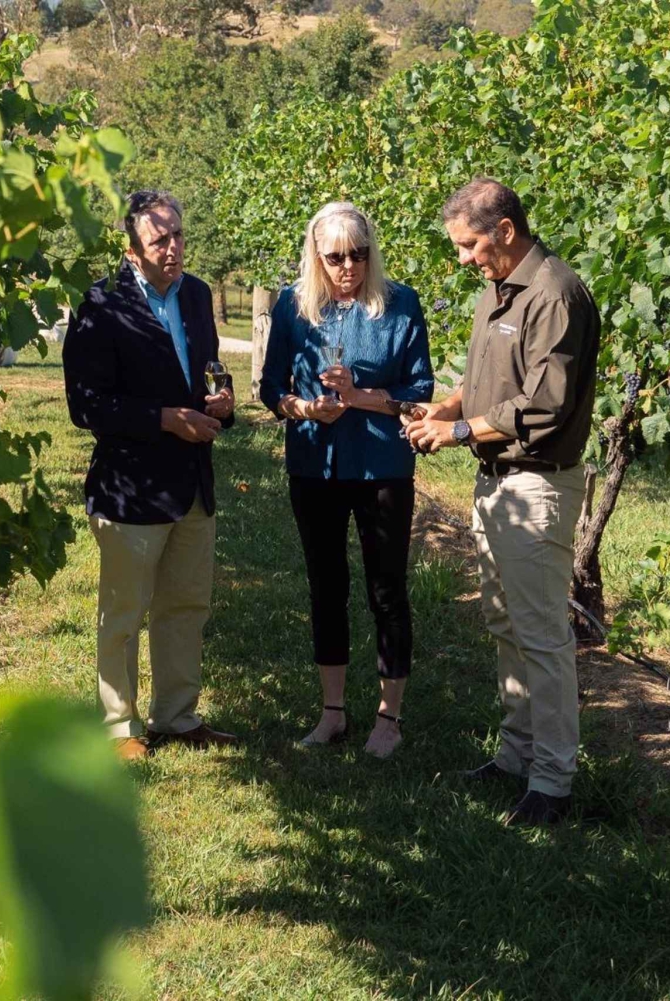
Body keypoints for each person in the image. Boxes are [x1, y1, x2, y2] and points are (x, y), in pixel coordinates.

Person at [406, 178, 600, 825]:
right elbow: (484, 382)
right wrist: (447, 409)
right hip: (496, 484)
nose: (464, 258)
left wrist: (459, 432)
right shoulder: (498, 292)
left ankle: (553, 781)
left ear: (506, 231)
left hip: (536, 484)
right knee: (506, 625)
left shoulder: (554, 294)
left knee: (542, 636)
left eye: (469, 245)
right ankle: (516, 755)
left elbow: (543, 406)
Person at [62, 190, 238, 761]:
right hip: (131, 488)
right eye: (160, 239)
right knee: (124, 615)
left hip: (193, 484)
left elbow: (209, 368)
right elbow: (86, 405)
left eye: (178, 234)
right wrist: (165, 419)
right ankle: (120, 727)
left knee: (185, 607)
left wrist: (222, 400)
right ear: (131, 249)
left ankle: (177, 717)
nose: (173, 247)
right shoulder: (100, 304)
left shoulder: (197, 294)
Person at [259, 202, 434, 760]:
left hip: (382, 466)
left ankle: (389, 717)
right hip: (316, 465)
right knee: (326, 586)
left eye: (358, 255)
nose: (348, 268)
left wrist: (361, 398)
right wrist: (306, 409)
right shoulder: (293, 306)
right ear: (316, 256)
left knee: (387, 588)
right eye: (335, 258)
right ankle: (332, 712)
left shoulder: (400, 304)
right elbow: (271, 388)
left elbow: (420, 393)